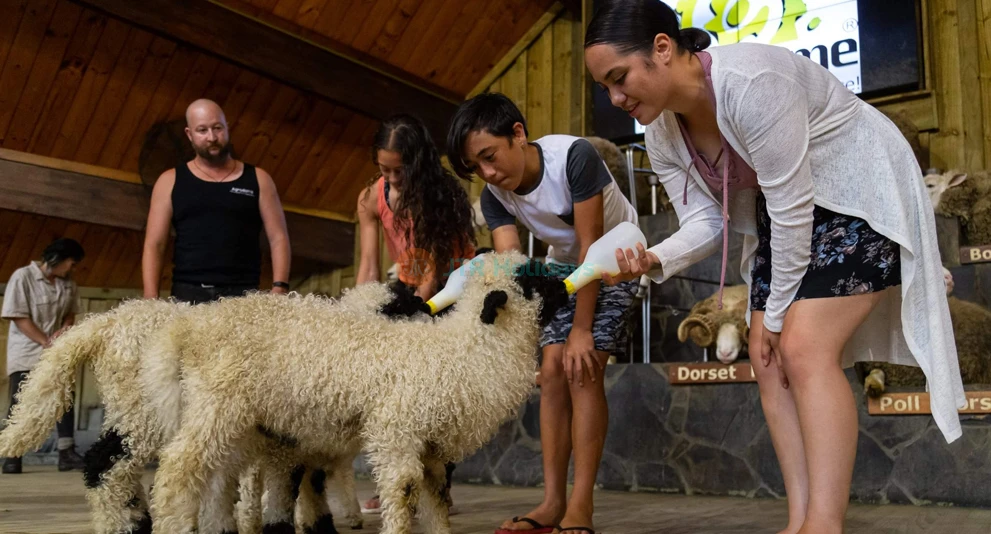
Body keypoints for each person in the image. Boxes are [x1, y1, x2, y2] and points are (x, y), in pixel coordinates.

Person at [583, 2, 966, 533]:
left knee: (803, 347)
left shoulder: (752, 81)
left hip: (855, 192)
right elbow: (707, 222)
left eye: (619, 78)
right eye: (605, 87)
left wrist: (777, 313)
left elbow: (792, 206)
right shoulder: (662, 134)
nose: (616, 98)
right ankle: (800, 521)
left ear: (663, 49)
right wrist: (653, 258)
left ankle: (824, 526)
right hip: (785, 216)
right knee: (768, 360)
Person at [446, 92, 640, 534]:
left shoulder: (575, 156)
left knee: (580, 367)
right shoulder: (495, 195)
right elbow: (513, 268)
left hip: (617, 260)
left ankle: (581, 506)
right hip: (563, 267)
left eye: (489, 157)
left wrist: (581, 330)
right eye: (476, 168)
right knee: (550, 370)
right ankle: (552, 503)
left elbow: (593, 247)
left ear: (518, 134)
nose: (488, 173)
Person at [355, 113, 477, 515]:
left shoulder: (439, 195)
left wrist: (415, 316)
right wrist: (361, 312)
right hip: (409, 286)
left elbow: (433, 274)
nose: (390, 177)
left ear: (418, 163)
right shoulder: (372, 197)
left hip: (450, 294)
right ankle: (396, 486)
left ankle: (437, 492)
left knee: (437, 405)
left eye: (399, 170)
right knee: (393, 401)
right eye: (383, 169)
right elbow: (369, 265)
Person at [142, 98, 291, 304]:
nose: (211, 137)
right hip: (188, 295)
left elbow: (278, 237)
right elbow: (155, 244)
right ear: (189, 135)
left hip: (244, 296)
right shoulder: (169, 181)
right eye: (202, 130)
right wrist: (151, 299)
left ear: (227, 128)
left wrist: (280, 287)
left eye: (217, 128)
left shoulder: (259, 179)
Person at [2, 238, 87, 474]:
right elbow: (18, 316)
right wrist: (45, 340)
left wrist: (65, 328)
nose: (73, 268)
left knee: (65, 396)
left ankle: (66, 452)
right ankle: (13, 453)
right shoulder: (23, 277)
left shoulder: (68, 283)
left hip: (56, 349)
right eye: (71, 263)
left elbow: (70, 313)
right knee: (21, 401)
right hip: (27, 350)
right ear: (57, 260)